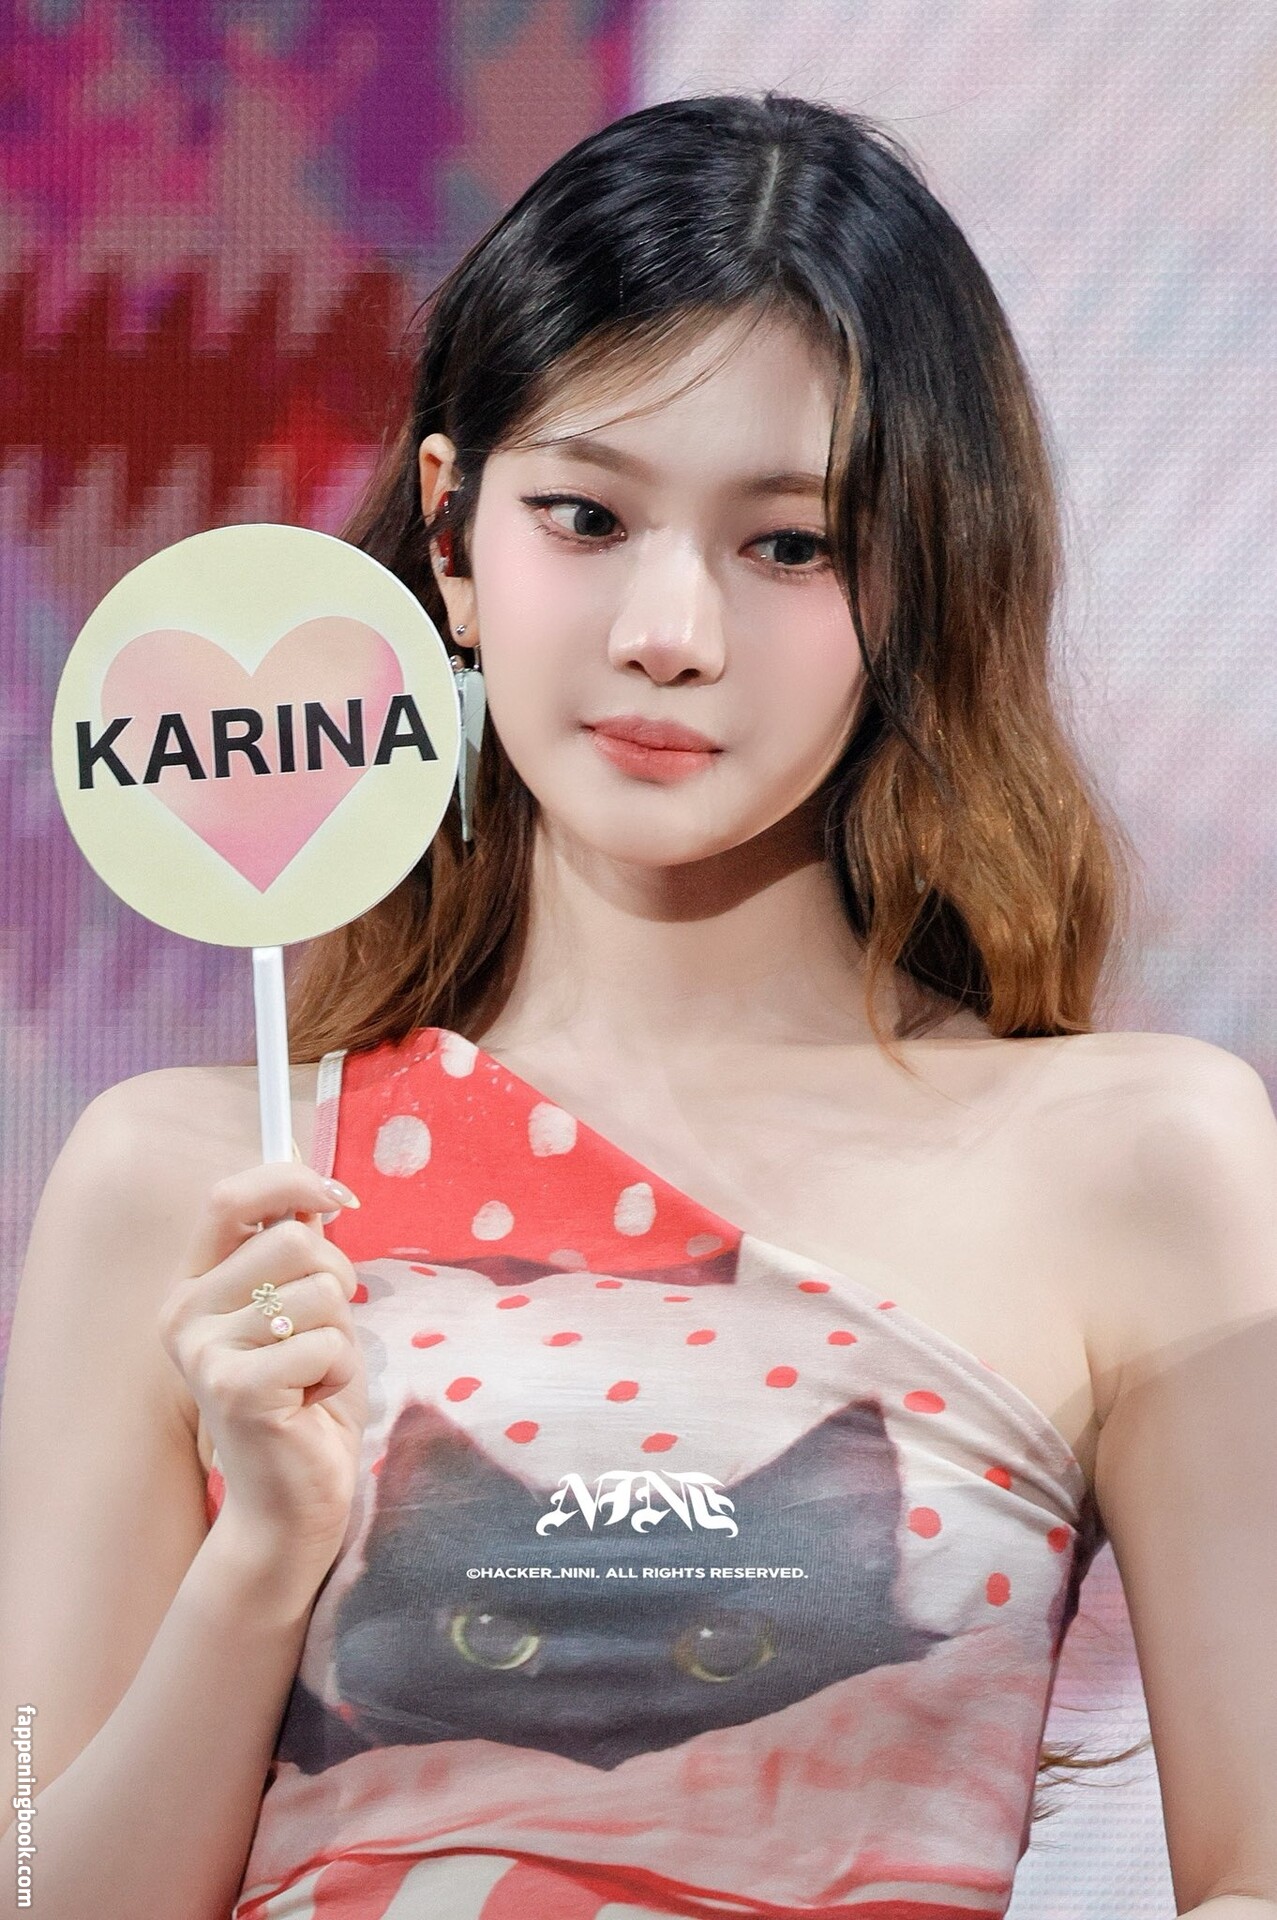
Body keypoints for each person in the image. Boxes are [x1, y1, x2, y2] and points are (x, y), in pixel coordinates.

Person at [1, 89, 1274, 1920]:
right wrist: (258, 1564)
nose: (668, 629)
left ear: (919, 572)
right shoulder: (195, 1185)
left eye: (790, 544)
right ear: (452, 535)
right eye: (586, 516)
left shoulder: (1138, 1160)